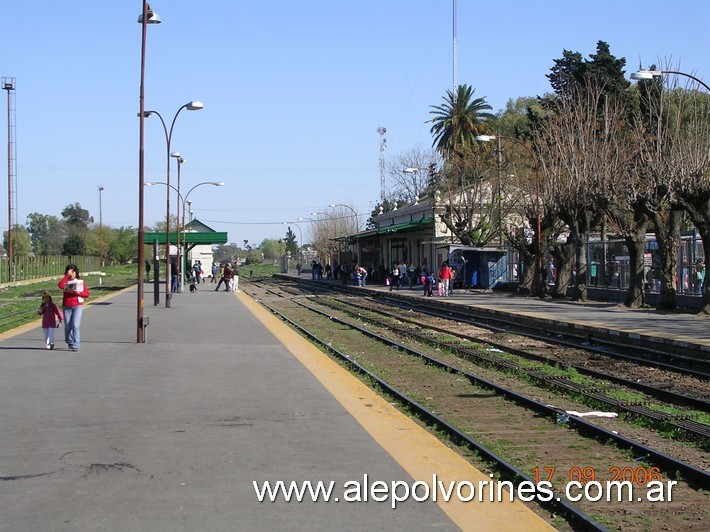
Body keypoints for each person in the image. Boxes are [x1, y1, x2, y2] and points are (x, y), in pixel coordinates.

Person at [58, 264, 89, 352]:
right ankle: (69, 340)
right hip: (67, 306)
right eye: (69, 272)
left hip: (77, 305)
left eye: (73, 272)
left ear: (76, 272)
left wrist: (79, 293)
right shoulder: (65, 282)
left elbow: (87, 294)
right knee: (68, 326)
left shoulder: (80, 282)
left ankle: (76, 344)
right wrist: (66, 276)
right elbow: (60, 285)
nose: (71, 274)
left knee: (75, 325)